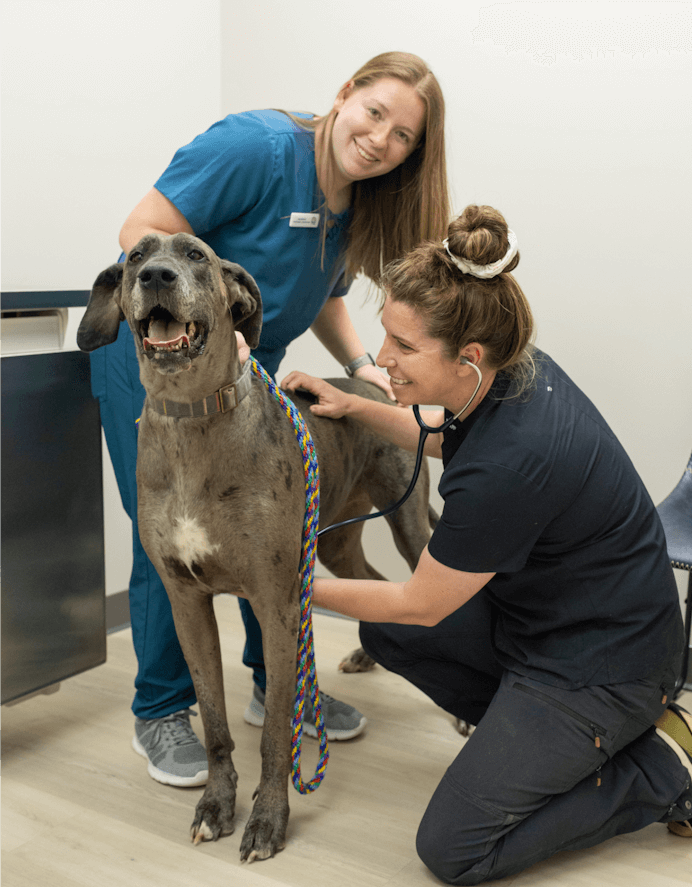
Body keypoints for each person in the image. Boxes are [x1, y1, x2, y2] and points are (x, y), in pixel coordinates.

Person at [281, 204, 692, 885]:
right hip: (545, 621)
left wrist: (283, 582)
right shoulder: (509, 373)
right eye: (386, 338)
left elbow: (420, 601)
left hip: (605, 664)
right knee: (383, 630)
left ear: (469, 357)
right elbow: (443, 431)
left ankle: (655, 771)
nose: (384, 360)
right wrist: (359, 407)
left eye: (403, 347)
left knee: (453, 849)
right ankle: (535, 745)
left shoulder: (512, 461)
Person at [90, 51, 451, 788]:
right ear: (344, 94)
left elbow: (319, 293)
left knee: (269, 533)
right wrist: (191, 329)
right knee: (176, 539)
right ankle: (160, 709)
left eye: (404, 135)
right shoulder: (256, 148)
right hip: (157, 354)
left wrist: (362, 368)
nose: (381, 138)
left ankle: (274, 688)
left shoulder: (354, 199)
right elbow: (143, 230)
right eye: (375, 112)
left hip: (244, 374)